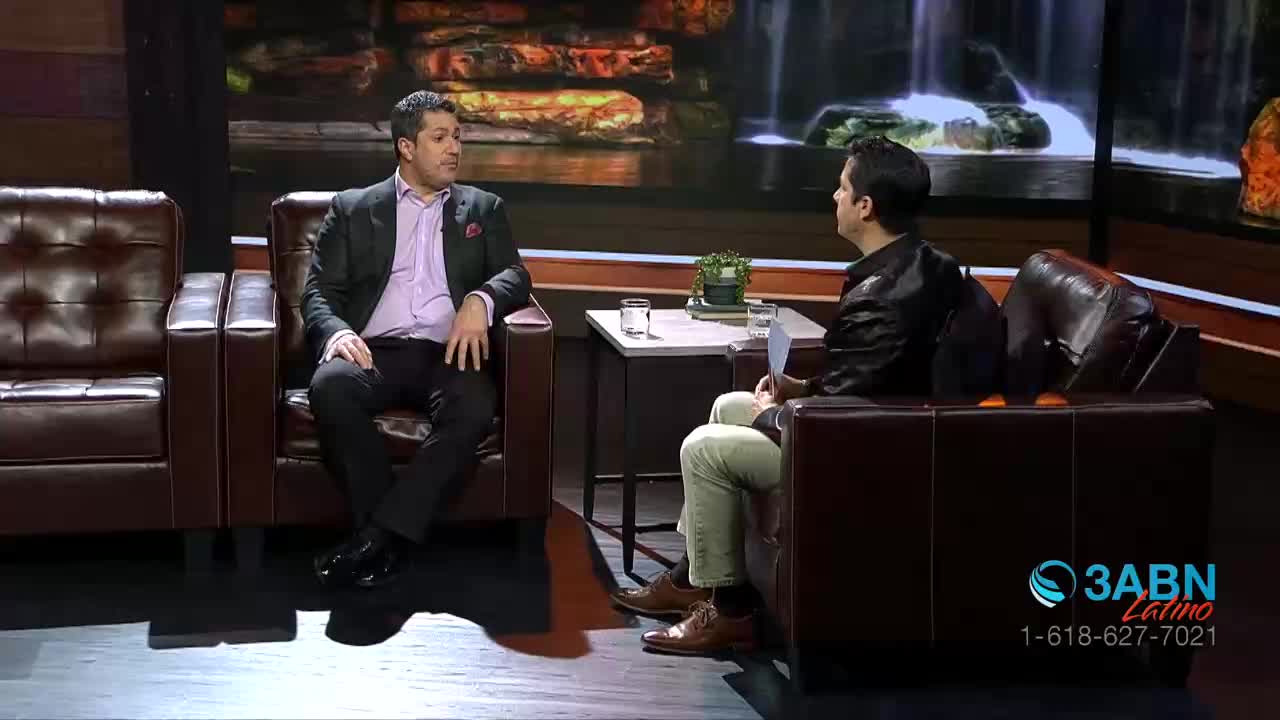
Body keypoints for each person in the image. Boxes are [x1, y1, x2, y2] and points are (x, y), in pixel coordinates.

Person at [611, 137, 964, 654]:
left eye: (842, 188)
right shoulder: (924, 262)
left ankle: (731, 613)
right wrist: (801, 389)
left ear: (866, 206)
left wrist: (776, 414)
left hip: (864, 450)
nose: (835, 198)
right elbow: (871, 378)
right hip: (874, 421)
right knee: (728, 405)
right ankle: (692, 578)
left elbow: (844, 413)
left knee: (703, 448)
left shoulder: (882, 299)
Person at [303, 90, 530, 589]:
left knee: (473, 407)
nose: (455, 149)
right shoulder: (353, 208)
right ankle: (388, 536)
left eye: (458, 137)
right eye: (440, 137)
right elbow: (318, 291)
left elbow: (516, 274)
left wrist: (482, 299)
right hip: (373, 349)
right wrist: (338, 331)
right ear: (406, 147)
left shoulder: (483, 208)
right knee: (330, 387)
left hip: (449, 352)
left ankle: (375, 538)